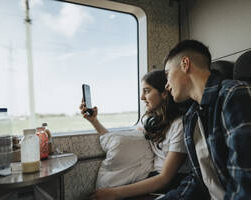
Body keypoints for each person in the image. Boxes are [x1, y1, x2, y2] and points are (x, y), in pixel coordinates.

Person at [159, 40, 251, 200]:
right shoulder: (191, 117)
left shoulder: (238, 97)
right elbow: (202, 180)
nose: (166, 85)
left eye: (167, 74)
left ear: (185, 64)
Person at [80, 70, 190, 200]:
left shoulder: (179, 125)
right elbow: (120, 140)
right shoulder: (151, 121)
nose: (142, 97)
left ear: (164, 93)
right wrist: (94, 121)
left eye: (147, 91)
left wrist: (114, 193)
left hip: (170, 183)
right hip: (152, 177)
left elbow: (165, 178)